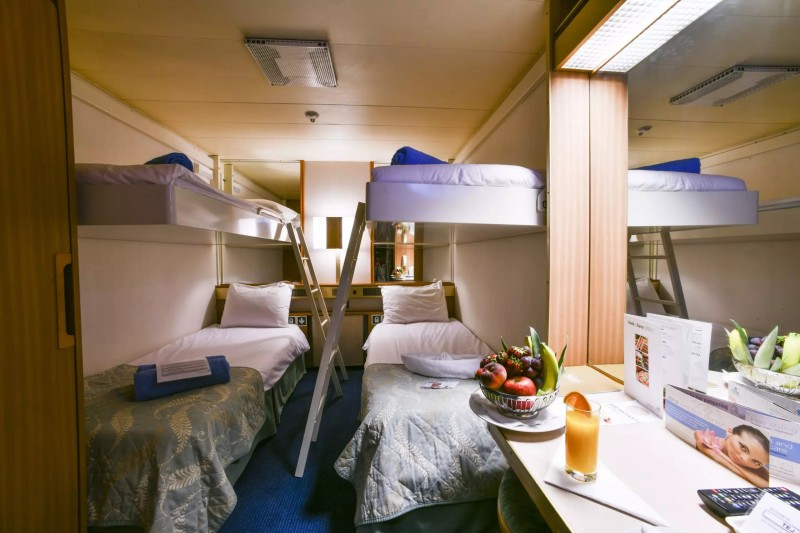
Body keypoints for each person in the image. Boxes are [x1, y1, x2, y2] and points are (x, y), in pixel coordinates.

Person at [694, 425, 769, 487]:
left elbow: (766, 485)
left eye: (756, 462)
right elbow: (697, 434)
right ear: (730, 432)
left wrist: (734, 465)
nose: (744, 459)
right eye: (743, 448)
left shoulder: (754, 466)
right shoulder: (703, 437)